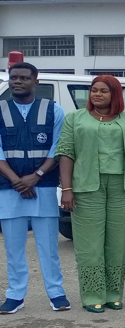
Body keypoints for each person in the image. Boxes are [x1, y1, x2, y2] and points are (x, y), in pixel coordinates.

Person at [57, 75, 125, 314]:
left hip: (121, 187)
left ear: (115, 94)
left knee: (117, 243)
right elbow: (66, 153)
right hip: (86, 187)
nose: (96, 94)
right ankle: (93, 295)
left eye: (103, 91)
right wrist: (67, 189)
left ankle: (114, 294)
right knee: (89, 244)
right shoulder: (75, 119)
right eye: (93, 90)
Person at [0, 62, 69, 314]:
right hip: (9, 189)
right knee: (13, 247)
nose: (17, 81)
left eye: (24, 78)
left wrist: (36, 176)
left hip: (44, 186)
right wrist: (18, 180)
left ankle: (56, 292)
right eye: (13, 77)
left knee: (49, 246)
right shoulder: (0, 109)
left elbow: (58, 148)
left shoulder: (53, 110)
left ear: (36, 81)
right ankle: (15, 295)